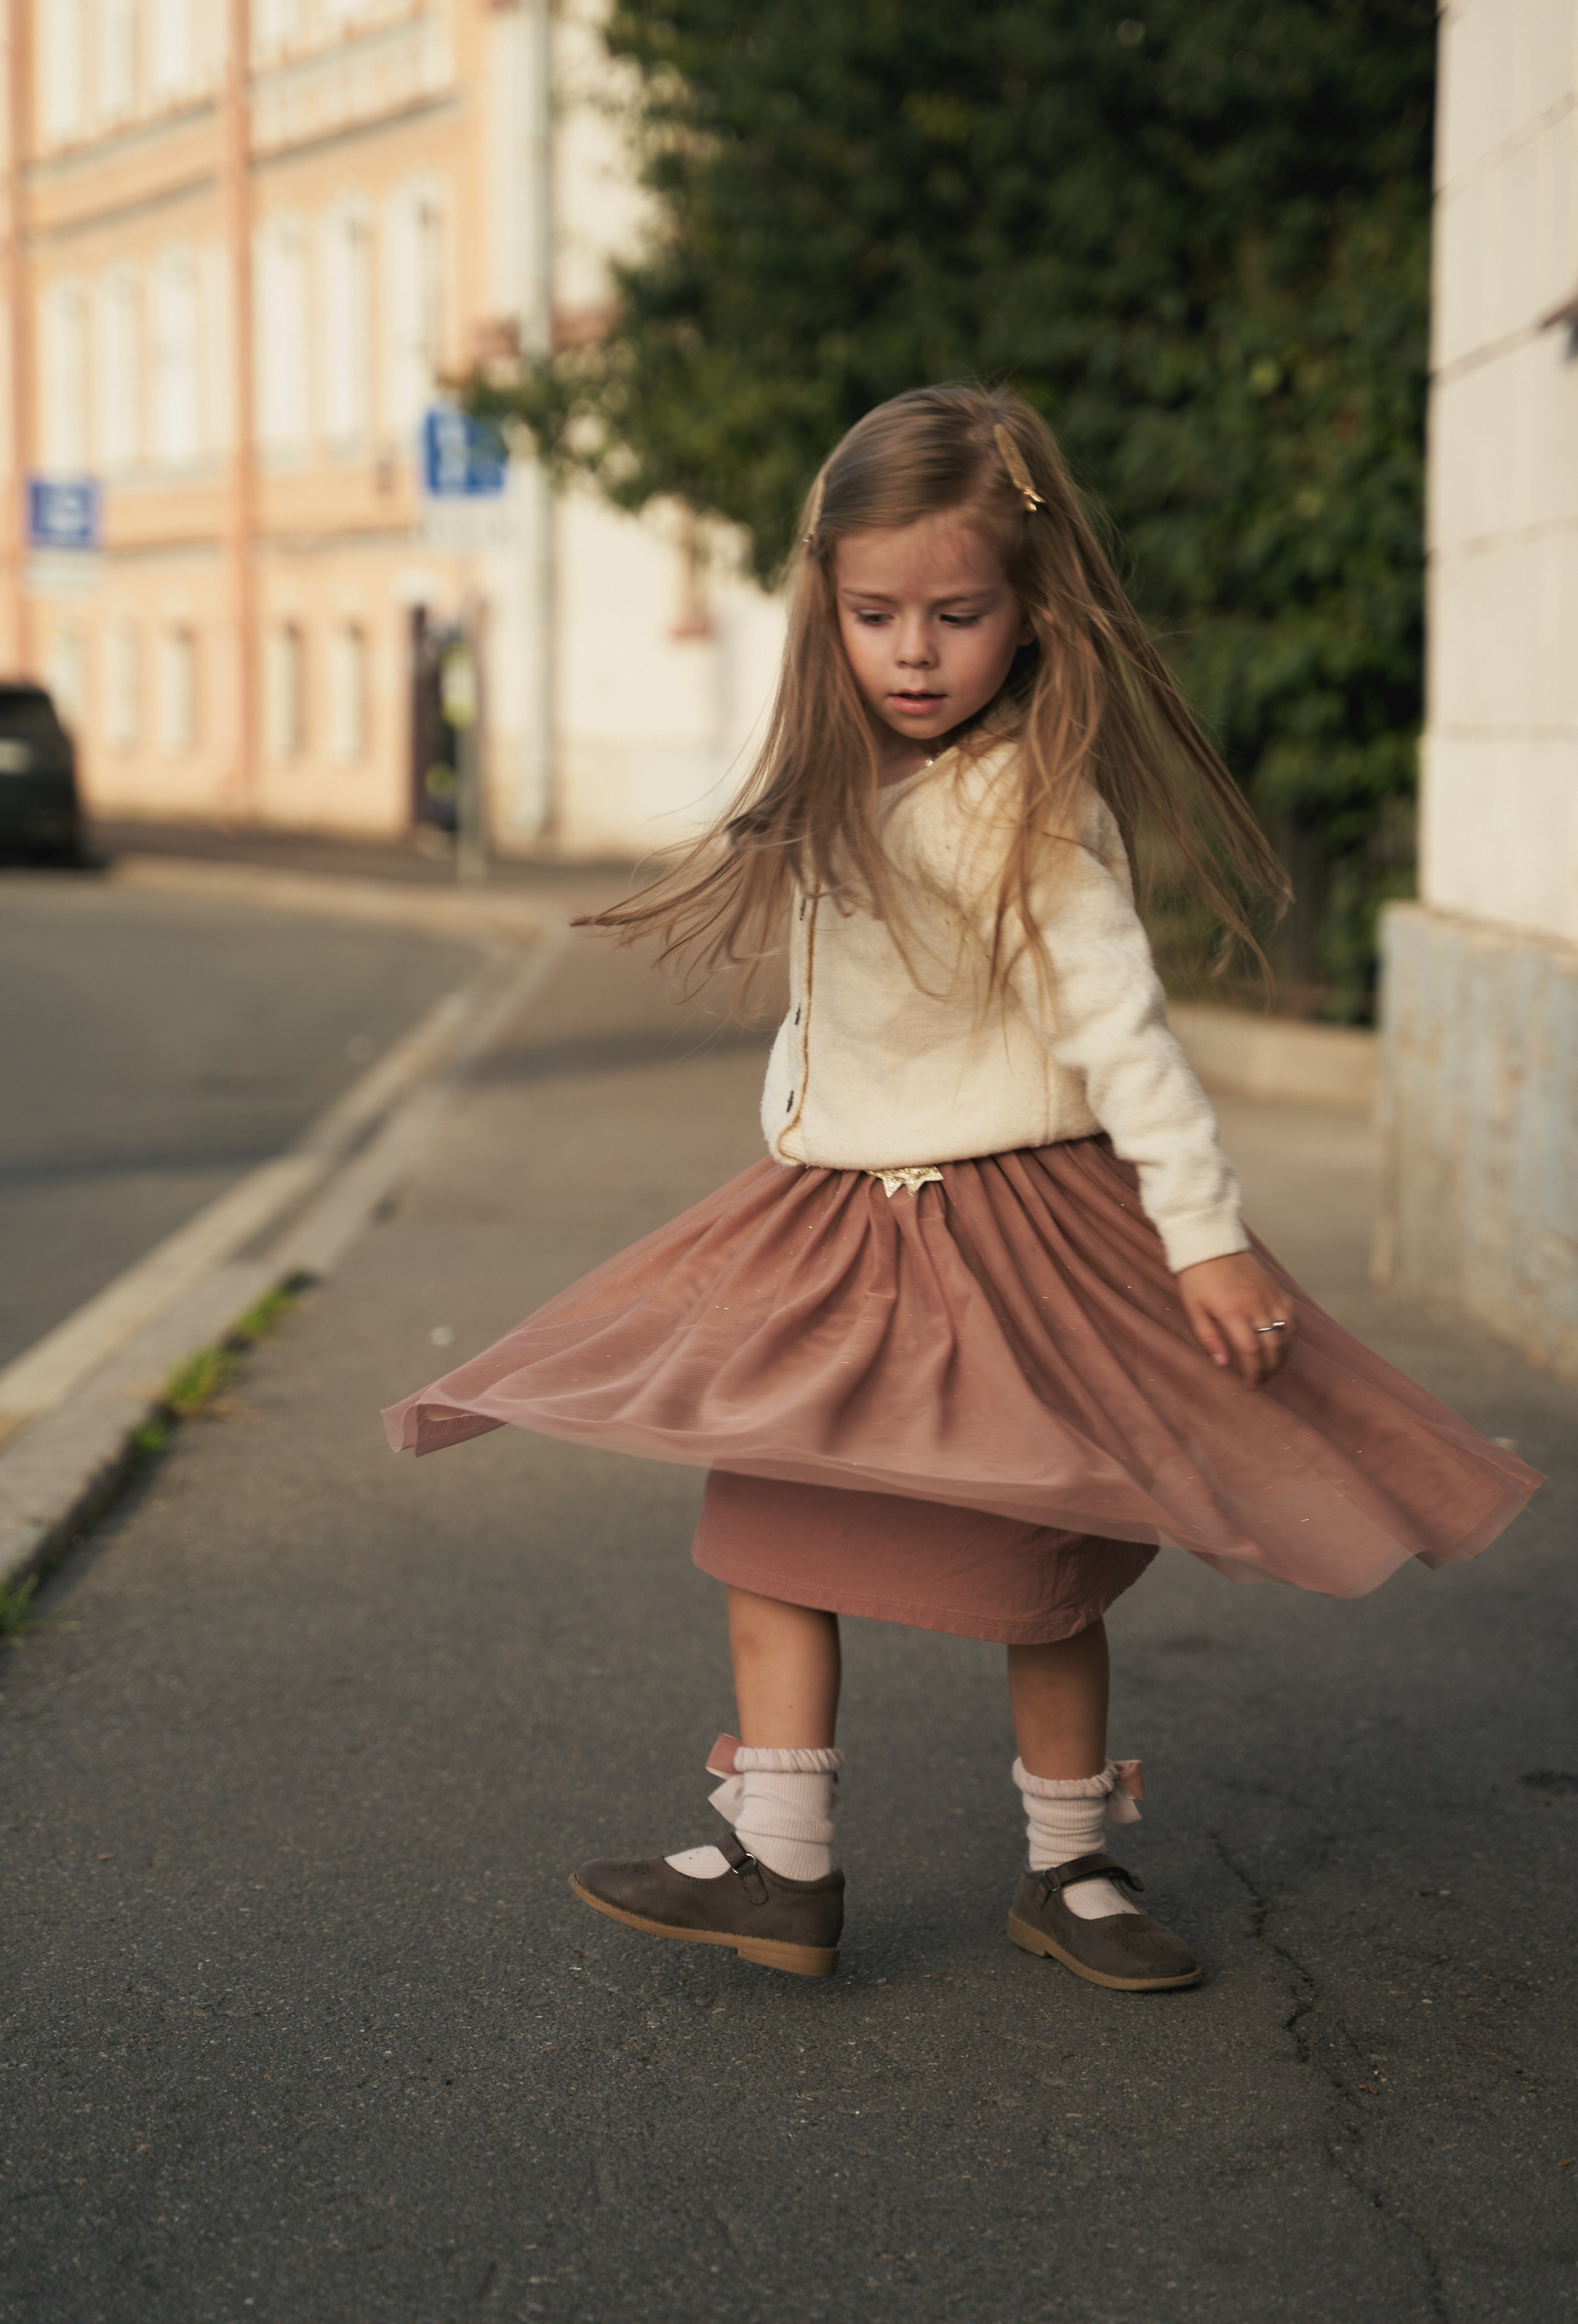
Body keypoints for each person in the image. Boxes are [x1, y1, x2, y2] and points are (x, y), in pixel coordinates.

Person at [384, 385, 1539, 1994]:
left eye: (954, 612)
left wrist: (1202, 1238)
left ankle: (1069, 1865)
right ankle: (781, 1861)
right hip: (843, 1221)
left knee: (1038, 1549)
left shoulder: (1027, 799)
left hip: (1015, 1228)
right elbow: (843, 1004)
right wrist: (798, 1117)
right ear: (824, 612)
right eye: (872, 615)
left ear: (1027, 611)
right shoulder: (844, 775)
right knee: (772, 1520)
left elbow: (1123, 1034)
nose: (912, 651)